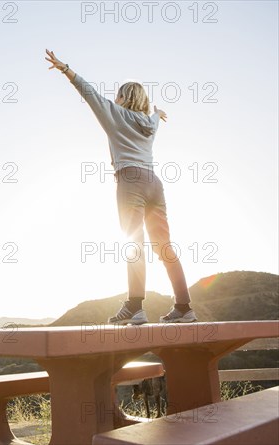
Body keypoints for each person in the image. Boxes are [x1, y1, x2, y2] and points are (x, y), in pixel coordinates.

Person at [44, 48, 197, 325]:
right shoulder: (149, 122)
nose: (113, 98)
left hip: (130, 182)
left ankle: (135, 307)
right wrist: (158, 112)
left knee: (133, 244)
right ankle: (185, 307)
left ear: (125, 98)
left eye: (118, 94)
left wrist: (66, 69)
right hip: (155, 184)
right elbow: (154, 117)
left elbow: (88, 93)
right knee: (164, 247)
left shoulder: (115, 114)